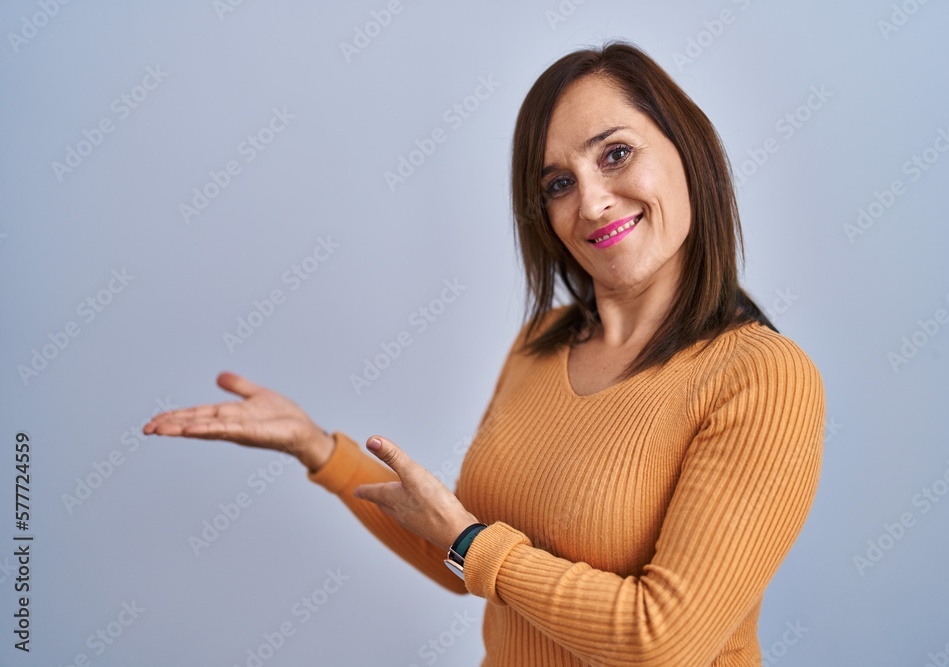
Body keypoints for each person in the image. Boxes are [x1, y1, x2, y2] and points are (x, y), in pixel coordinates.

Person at [144, 41, 825, 666]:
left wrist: (471, 545)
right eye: (558, 184)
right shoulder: (541, 343)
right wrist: (317, 447)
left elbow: (661, 639)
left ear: (689, 151)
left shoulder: (763, 378)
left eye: (615, 154)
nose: (591, 201)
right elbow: (459, 551)